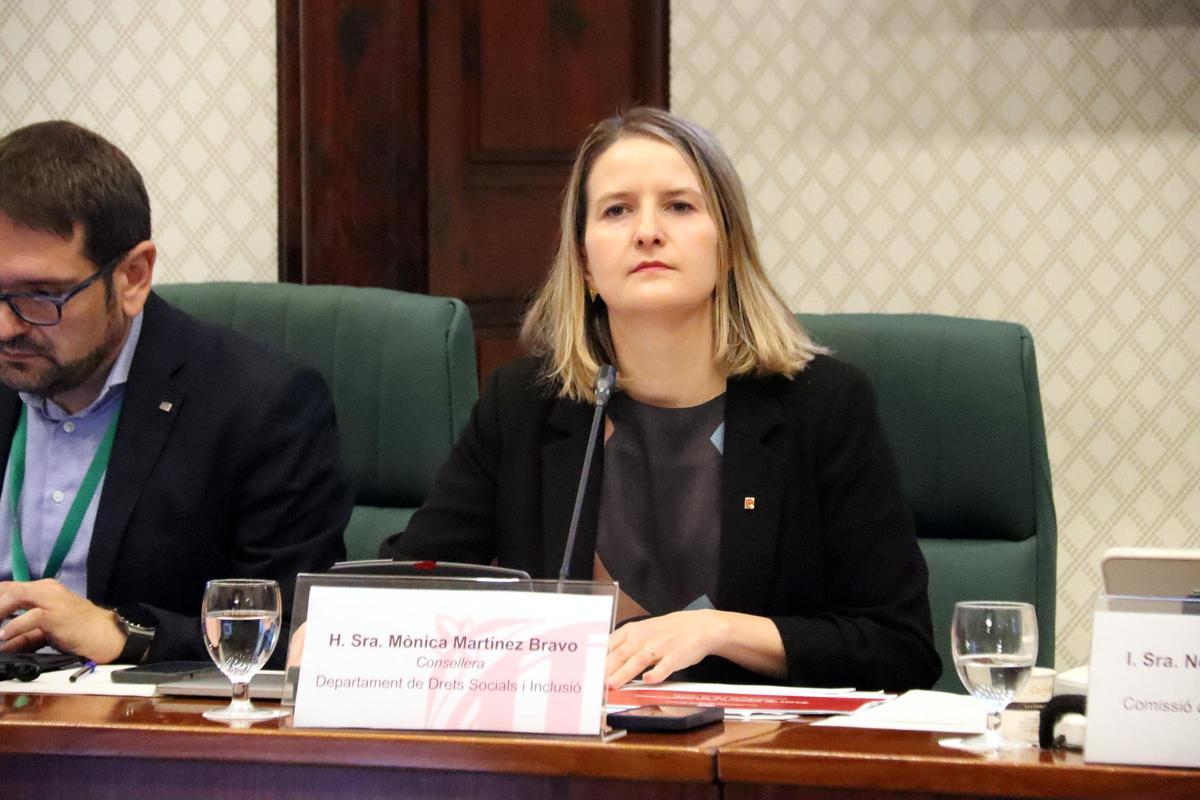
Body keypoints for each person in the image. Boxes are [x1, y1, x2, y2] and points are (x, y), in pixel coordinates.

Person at [381, 108, 939, 692]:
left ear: (727, 246)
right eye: (617, 209)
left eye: (679, 205)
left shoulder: (822, 407)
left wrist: (718, 631)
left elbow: (899, 647)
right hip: (578, 762)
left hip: (757, 767)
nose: (647, 231)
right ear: (585, 263)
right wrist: (326, 629)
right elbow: (413, 580)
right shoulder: (524, 405)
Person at [0, 121, 353, 665]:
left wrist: (128, 636)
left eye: (41, 296)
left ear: (133, 277)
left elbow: (302, 638)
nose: (6, 327)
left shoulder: (262, 405)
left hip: (142, 726)